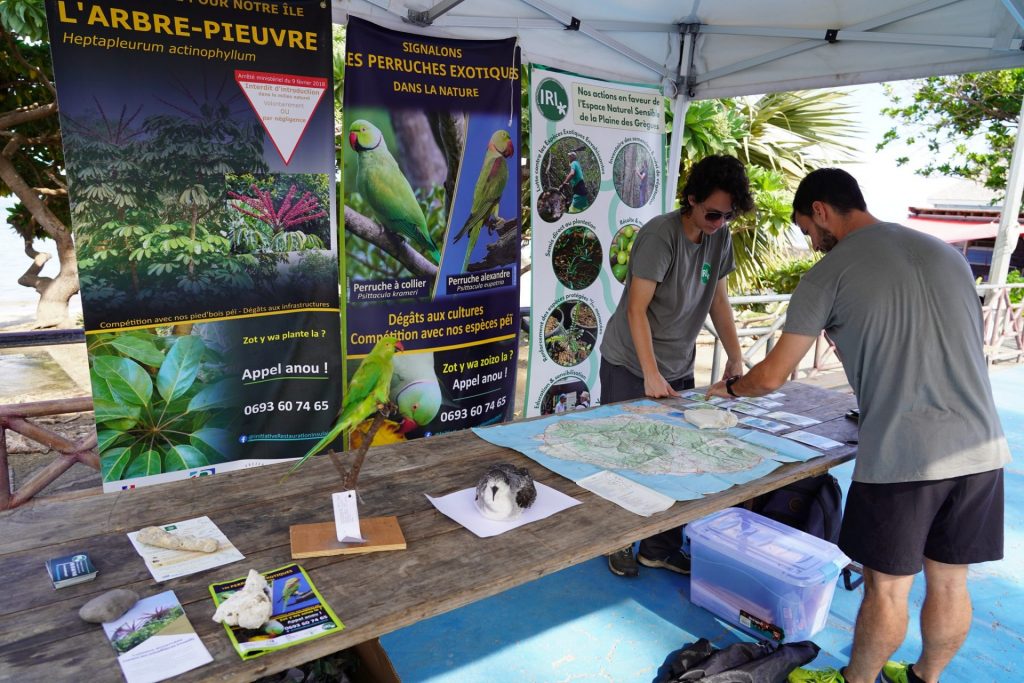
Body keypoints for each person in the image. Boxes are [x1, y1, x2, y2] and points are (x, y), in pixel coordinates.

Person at [705, 168, 1010, 683]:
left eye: (806, 230)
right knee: (952, 584)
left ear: (821, 211)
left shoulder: (830, 272)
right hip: (982, 446)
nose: (809, 243)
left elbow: (772, 376)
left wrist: (729, 388)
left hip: (906, 454)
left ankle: (857, 681)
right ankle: (923, 678)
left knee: (887, 589)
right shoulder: (945, 254)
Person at [600, 154, 752, 578]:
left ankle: (659, 547)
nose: (720, 222)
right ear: (691, 199)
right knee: (624, 453)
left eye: (729, 214)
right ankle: (615, 542)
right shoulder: (659, 237)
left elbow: (719, 300)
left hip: (679, 363)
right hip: (630, 361)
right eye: (713, 213)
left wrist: (735, 355)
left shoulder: (720, 237)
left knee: (674, 457)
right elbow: (635, 310)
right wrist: (649, 372)